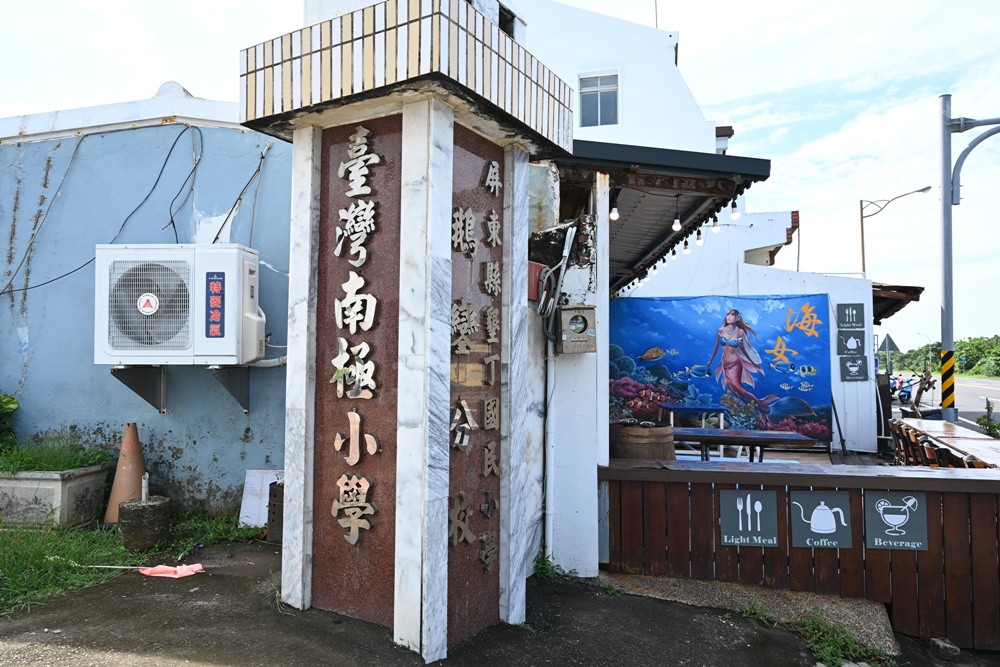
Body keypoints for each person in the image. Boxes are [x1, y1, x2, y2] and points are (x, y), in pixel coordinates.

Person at [707, 309, 770, 414]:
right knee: (734, 389)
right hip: (725, 364)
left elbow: (744, 349)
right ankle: (756, 405)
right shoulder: (721, 330)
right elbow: (716, 346)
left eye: (731, 315)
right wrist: (711, 360)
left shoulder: (740, 332)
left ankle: (760, 405)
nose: (728, 316)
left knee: (738, 387)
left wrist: (753, 363)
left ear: (737, 318)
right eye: (727, 314)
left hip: (735, 363)